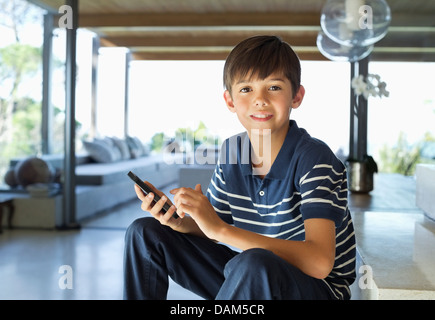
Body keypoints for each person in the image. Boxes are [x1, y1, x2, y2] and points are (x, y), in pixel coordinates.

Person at [123, 35, 356, 300]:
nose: (260, 99)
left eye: (274, 87)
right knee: (145, 232)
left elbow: (319, 263)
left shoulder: (314, 158)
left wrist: (219, 230)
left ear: (297, 96)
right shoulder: (233, 151)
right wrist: (180, 220)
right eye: (246, 89)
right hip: (254, 278)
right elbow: (215, 226)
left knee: (254, 263)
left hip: (315, 290)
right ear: (230, 101)